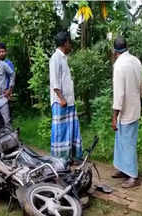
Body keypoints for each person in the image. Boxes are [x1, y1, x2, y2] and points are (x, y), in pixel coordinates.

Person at [111, 36, 142, 188]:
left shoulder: (119, 65)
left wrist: (114, 116)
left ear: (115, 51)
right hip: (134, 107)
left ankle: (133, 176)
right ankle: (124, 169)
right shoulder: (135, 61)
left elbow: (119, 93)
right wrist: (141, 103)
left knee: (128, 143)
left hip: (125, 111)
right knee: (122, 142)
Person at [49, 31, 82, 163]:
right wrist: (61, 98)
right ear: (65, 43)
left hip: (68, 101)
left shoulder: (63, 58)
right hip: (60, 102)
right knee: (61, 132)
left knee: (70, 130)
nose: (70, 45)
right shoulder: (55, 58)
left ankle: (71, 157)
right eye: (69, 42)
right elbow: (55, 81)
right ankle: (60, 160)